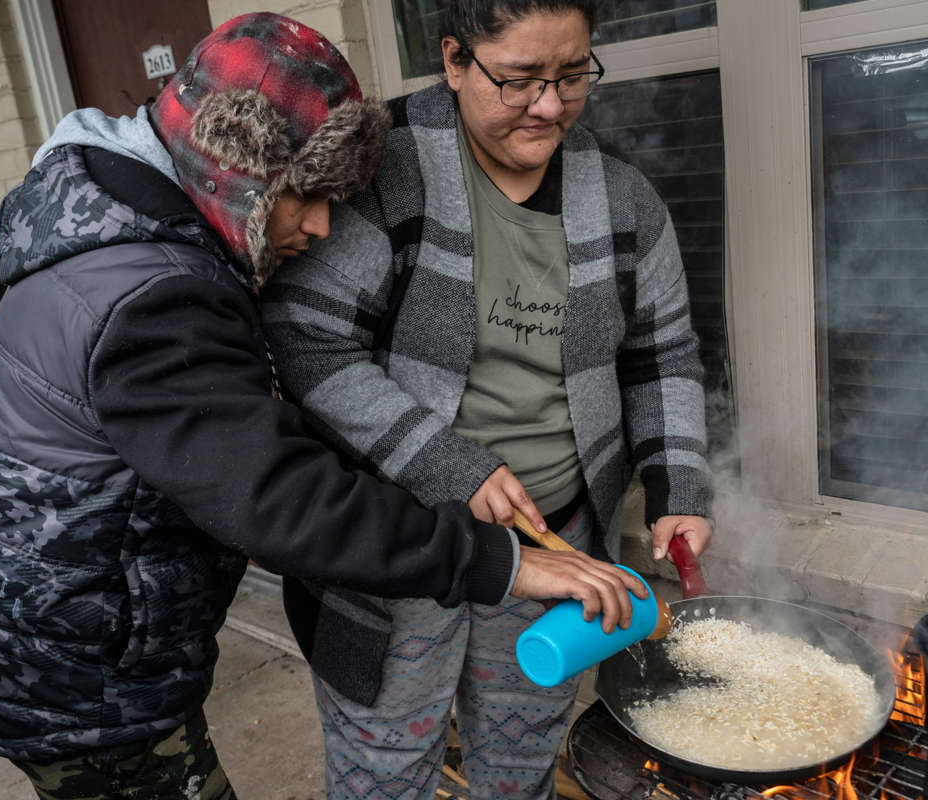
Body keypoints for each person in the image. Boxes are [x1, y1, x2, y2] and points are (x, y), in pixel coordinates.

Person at [0, 12, 648, 800]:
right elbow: (283, 500)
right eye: (304, 195)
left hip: (76, 636)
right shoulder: (153, 296)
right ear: (233, 169)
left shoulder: (109, 213)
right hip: (83, 681)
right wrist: (501, 562)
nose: (318, 227)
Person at [262, 1, 715, 797]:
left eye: (573, 76)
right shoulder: (383, 172)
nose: (550, 106)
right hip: (398, 543)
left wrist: (679, 485)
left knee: (520, 764)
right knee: (384, 769)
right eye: (519, 80)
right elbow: (306, 340)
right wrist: (449, 465)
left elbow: (663, 352)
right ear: (454, 60)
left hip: (555, 541)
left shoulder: (622, 198)